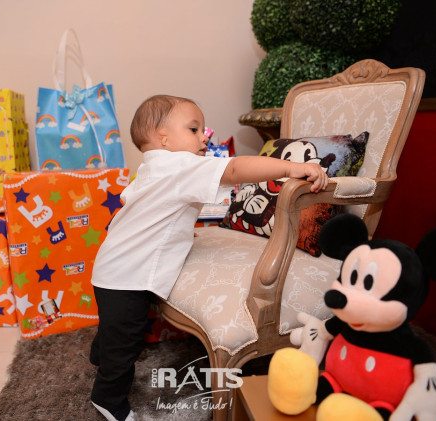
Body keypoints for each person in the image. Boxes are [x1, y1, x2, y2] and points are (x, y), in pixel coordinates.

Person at [89, 94, 328, 421]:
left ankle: (99, 353)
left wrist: (177, 235)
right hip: (127, 277)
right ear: (163, 137)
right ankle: (107, 397)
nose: (205, 137)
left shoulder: (151, 168)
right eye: (193, 129)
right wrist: (290, 167)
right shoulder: (180, 164)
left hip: (111, 266)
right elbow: (235, 168)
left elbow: (146, 211)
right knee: (126, 340)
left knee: (113, 326)